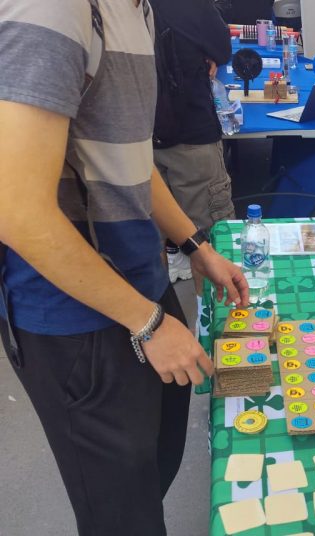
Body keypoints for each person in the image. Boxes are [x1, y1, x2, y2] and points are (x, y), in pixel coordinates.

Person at [0, 2, 249, 535]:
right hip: (72, 318)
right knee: (121, 515)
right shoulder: (55, 9)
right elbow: (15, 210)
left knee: (155, 462)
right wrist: (148, 323)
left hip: (137, 282)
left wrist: (196, 244)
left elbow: (129, 156)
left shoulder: (137, 9)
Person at [149, 0, 236, 288]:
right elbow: (222, 49)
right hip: (191, 135)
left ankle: (159, 310)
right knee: (210, 242)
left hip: (137, 138)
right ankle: (214, 313)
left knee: (149, 242)